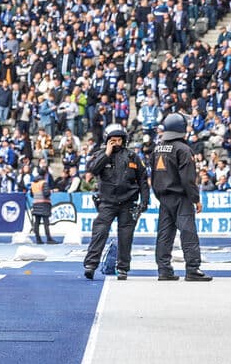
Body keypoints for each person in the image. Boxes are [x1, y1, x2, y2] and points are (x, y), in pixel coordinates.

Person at [82, 124, 148, 281]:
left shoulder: (133, 157)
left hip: (128, 203)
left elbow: (143, 180)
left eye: (119, 140)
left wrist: (145, 201)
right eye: (113, 140)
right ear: (107, 141)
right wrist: (106, 153)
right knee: (100, 231)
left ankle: (122, 268)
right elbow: (91, 171)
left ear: (124, 141)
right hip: (107, 202)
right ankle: (91, 265)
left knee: (126, 236)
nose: (116, 143)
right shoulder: (99, 155)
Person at [151, 113, 211, 282]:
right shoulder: (183, 149)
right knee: (188, 233)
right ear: (182, 129)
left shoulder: (157, 148)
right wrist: (195, 199)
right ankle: (192, 269)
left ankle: (164, 270)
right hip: (181, 197)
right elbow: (188, 179)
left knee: (164, 234)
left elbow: (154, 176)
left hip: (164, 197)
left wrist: (160, 195)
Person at [28, 174, 57, 244]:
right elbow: (46, 193)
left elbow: (31, 194)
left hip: (36, 203)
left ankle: (38, 239)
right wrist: (52, 191)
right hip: (44, 204)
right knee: (46, 223)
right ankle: (49, 239)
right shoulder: (44, 183)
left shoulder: (33, 184)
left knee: (37, 223)